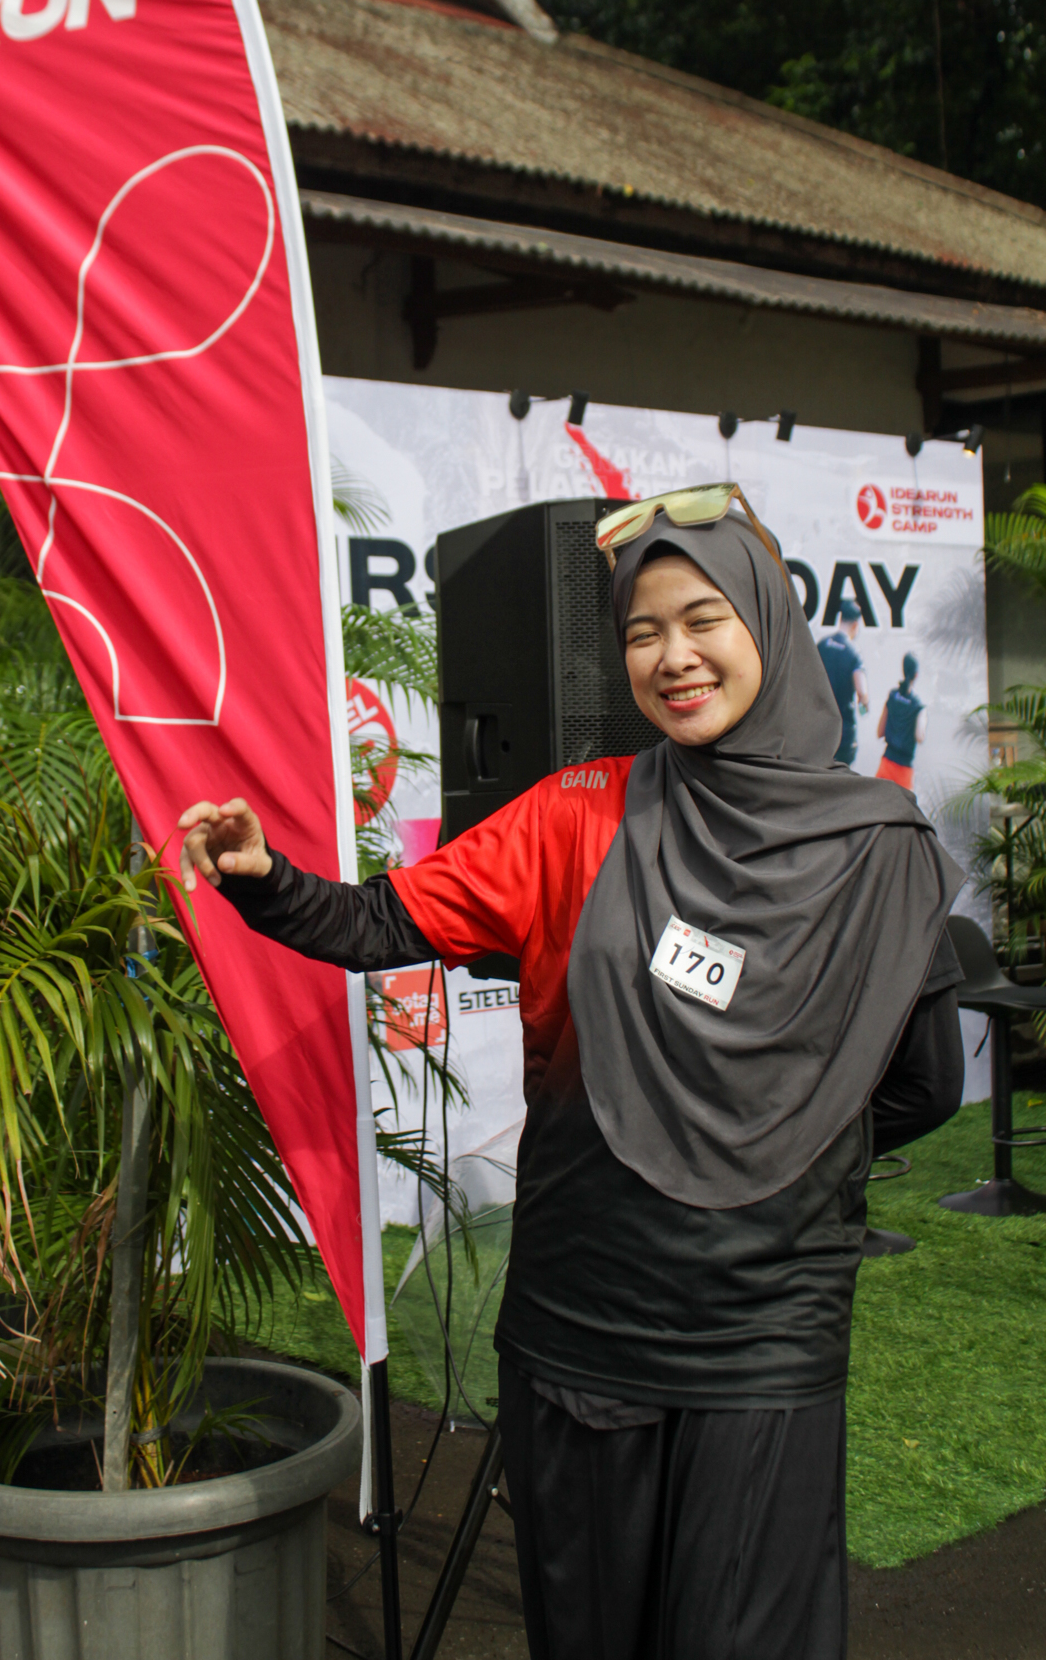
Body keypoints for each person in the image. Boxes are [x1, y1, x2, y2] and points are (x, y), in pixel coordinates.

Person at [179, 489, 964, 1660]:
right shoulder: (576, 814)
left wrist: (758, 1154)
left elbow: (918, 1086)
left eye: (701, 620)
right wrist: (261, 877)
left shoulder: (876, 850)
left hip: (762, 1326)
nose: (672, 656)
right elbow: (376, 923)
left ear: (764, 621)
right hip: (583, 1316)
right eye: (642, 632)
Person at [817, 599, 869, 766]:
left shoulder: (821, 645)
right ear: (855, 625)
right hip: (843, 732)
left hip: (820, 728)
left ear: (841, 618)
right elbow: (862, 692)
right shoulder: (853, 653)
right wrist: (864, 706)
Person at [877, 653, 926, 789]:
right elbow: (919, 737)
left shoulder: (892, 696)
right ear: (916, 675)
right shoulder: (918, 706)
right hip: (904, 771)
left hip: (886, 764)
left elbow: (880, 732)